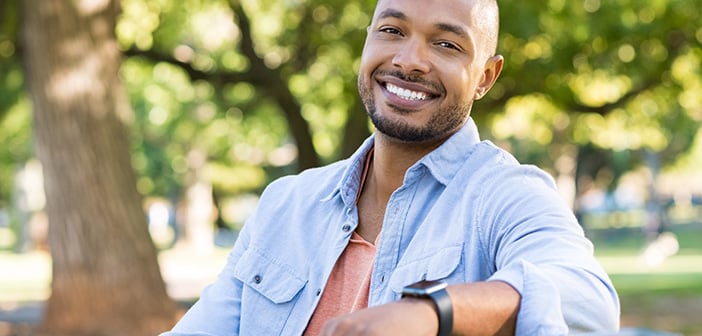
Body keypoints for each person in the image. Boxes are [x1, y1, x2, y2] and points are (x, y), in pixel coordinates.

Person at [162, 0, 620, 334]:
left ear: (485, 76)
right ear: (367, 40)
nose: (408, 61)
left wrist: (431, 312)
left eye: (445, 43)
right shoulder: (287, 203)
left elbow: (588, 303)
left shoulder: (506, 196)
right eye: (392, 31)